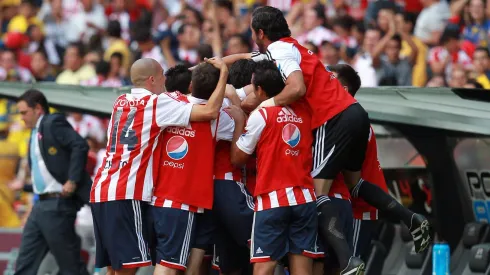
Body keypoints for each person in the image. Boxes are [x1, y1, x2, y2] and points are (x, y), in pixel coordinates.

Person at [218, 6, 431, 274]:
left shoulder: (281, 51)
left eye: (252, 32)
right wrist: (219, 62)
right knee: (355, 184)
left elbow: (297, 88)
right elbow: (252, 56)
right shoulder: (288, 47)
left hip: (333, 118)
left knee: (316, 193)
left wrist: (266, 105)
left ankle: (348, 260)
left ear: (260, 32)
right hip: (355, 114)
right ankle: (411, 219)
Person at [90, 58, 227, 275]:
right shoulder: (155, 103)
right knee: (127, 269)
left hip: (101, 189)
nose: (166, 80)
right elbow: (209, 112)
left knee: (114, 269)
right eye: (163, 75)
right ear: (152, 79)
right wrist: (223, 76)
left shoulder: (120, 102)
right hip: (126, 191)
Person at [229, 60, 321, 275]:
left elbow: (238, 158)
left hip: (273, 198)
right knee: (302, 271)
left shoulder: (262, 115)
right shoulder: (304, 112)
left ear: (260, 90)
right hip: (305, 199)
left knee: (264, 267)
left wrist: (239, 123)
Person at [150, 59, 228, 275]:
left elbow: (181, 81)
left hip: (166, 198)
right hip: (181, 201)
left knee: (181, 266)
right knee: (169, 266)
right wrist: (223, 74)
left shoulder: (167, 103)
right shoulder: (218, 117)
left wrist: (199, 73)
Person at [14, 89, 91, 275]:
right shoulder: (34, 132)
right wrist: (24, 186)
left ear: (38, 108)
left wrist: (72, 179)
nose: (21, 118)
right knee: (25, 263)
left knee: (71, 268)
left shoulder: (51, 122)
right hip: (41, 205)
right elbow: (48, 173)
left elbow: (79, 145)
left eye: (24, 112)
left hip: (57, 205)